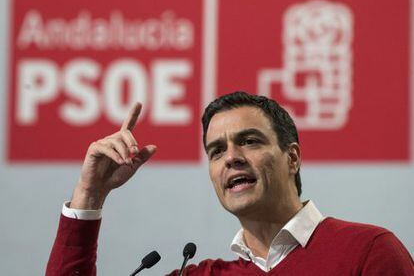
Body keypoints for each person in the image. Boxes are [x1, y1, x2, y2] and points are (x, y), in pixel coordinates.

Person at [46, 91, 414, 275]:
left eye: (250, 141)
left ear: (292, 158)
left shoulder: (368, 252)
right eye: (216, 151)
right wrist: (89, 196)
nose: (231, 157)